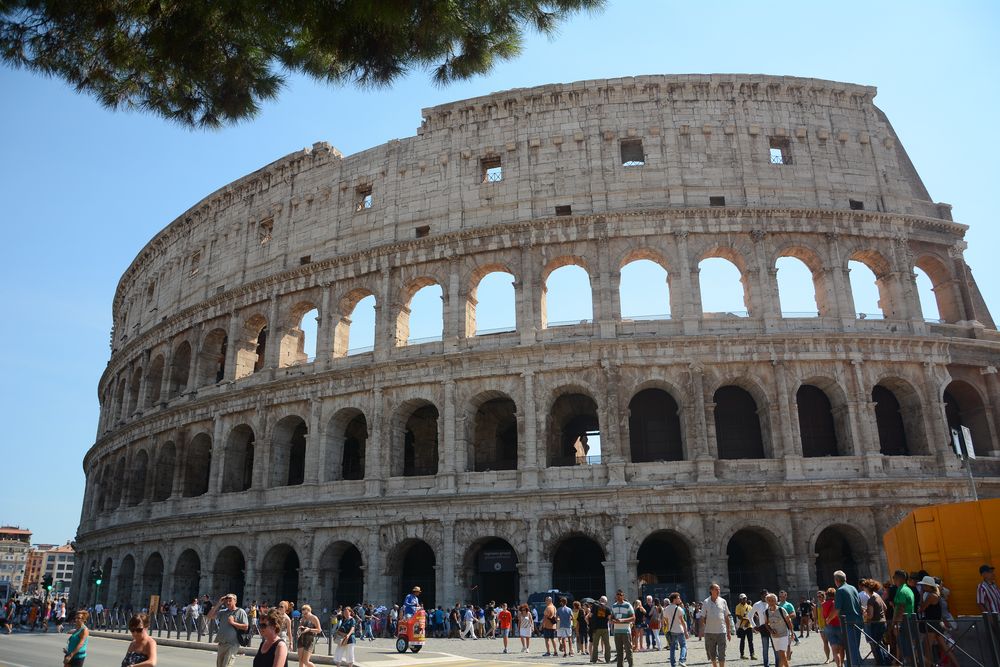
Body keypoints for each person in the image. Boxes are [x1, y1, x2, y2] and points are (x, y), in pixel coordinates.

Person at [208, 593, 249, 667]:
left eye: (230, 600)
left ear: (235, 601)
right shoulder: (223, 612)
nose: (228, 602)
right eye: (226, 601)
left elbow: (246, 626)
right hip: (222, 643)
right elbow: (209, 616)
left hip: (232, 644)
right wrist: (218, 604)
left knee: (226, 665)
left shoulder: (240, 612)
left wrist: (233, 623)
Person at [831, 570, 863, 667]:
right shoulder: (853, 588)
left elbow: (836, 610)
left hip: (848, 623)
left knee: (852, 648)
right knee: (855, 648)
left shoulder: (840, 591)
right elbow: (859, 604)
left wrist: (828, 619)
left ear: (836, 580)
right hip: (858, 621)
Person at [699, 583, 732, 667]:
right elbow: (702, 617)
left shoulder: (723, 601)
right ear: (711, 590)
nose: (718, 591)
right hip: (709, 632)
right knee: (711, 653)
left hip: (721, 631)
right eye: (716, 589)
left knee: (722, 653)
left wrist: (728, 631)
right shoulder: (706, 602)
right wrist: (701, 630)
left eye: (719, 589)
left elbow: (726, 617)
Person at [861, 579, 889, 666]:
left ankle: (881, 663)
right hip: (883, 622)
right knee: (881, 643)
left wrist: (864, 613)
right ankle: (886, 661)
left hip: (876, 623)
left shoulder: (871, 600)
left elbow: (870, 616)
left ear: (866, 588)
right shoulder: (878, 596)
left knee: (877, 645)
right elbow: (885, 608)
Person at [763, 594, 794, 667]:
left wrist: (792, 632)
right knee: (781, 655)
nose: (771, 602)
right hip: (774, 636)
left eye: (773, 600)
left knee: (782, 653)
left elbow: (788, 621)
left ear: (776, 601)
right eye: (769, 601)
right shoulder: (766, 612)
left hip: (783, 634)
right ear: (767, 602)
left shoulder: (781, 610)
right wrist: (771, 631)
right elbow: (766, 624)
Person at [748, 590, 775, 667]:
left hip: (773, 627)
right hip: (763, 628)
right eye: (764, 596)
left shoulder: (772, 603)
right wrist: (754, 626)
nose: (766, 597)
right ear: (761, 596)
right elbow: (750, 615)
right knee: (765, 647)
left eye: (767, 595)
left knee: (775, 647)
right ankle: (766, 664)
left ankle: (778, 663)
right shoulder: (757, 604)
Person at [611, 589, 635, 667]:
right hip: (617, 631)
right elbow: (611, 617)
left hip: (626, 631)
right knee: (619, 652)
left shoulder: (627, 605)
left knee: (628, 650)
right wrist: (612, 620)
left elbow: (633, 618)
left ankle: (631, 665)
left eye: (620, 595)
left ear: (623, 596)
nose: (618, 596)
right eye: (617, 594)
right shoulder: (614, 605)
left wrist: (622, 620)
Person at [664, 592, 689, 667]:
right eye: (678, 598)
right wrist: (686, 631)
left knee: (672, 648)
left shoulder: (666, 609)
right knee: (683, 646)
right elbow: (682, 621)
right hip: (679, 630)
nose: (680, 599)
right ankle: (682, 660)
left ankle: (673, 664)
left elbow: (666, 621)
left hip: (671, 631)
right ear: (674, 599)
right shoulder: (679, 609)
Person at [821, 586, 844, 667]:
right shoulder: (836, 603)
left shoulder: (823, 604)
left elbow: (823, 616)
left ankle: (838, 665)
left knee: (834, 649)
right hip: (839, 625)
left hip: (829, 627)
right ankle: (842, 664)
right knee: (841, 647)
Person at [589, 595, 612, 664]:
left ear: (600, 600)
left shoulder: (595, 607)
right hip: (604, 628)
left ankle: (594, 660)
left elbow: (590, 615)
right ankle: (607, 659)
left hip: (596, 628)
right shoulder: (607, 608)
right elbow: (609, 618)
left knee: (595, 645)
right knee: (607, 644)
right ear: (606, 602)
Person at [734, 593, 756, 660]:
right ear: (740, 599)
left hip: (749, 626)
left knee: (750, 641)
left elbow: (752, 615)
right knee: (742, 641)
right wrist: (746, 620)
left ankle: (752, 655)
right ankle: (742, 654)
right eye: (743, 598)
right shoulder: (738, 606)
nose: (744, 599)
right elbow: (738, 616)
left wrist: (749, 621)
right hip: (742, 626)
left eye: (745, 598)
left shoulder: (749, 607)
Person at [815, 590, 831, 664]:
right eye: (817, 596)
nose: (819, 598)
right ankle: (827, 658)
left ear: (824, 596)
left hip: (829, 624)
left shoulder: (827, 604)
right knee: (825, 642)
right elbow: (815, 616)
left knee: (832, 641)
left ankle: (834, 656)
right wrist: (815, 625)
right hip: (821, 625)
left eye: (820, 596)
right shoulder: (816, 605)